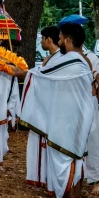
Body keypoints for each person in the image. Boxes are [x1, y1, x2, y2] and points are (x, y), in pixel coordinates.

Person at [16, 23, 95, 198]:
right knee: (75, 158)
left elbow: (40, 76)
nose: (58, 42)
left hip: (68, 119)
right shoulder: (81, 61)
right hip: (76, 116)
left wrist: (19, 72)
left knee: (64, 159)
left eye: (60, 38)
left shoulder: (70, 61)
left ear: (68, 39)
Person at [22, 26, 61, 189]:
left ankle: (48, 179)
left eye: (42, 38)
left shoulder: (59, 59)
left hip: (50, 110)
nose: (41, 41)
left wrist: (24, 73)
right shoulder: (51, 58)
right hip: (46, 108)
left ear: (49, 40)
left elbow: (42, 79)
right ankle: (42, 176)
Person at [78, 32, 99, 195]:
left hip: (89, 106)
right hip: (72, 107)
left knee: (93, 141)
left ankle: (94, 180)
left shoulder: (92, 59)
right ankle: (76, 177)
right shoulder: (65, 59)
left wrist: (91, 103)